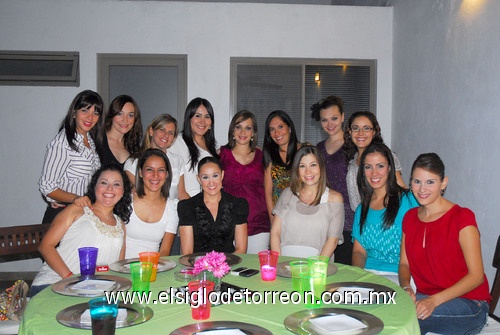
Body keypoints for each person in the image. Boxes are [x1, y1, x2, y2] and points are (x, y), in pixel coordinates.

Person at [399, 153, 490, 335]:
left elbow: (476, 276)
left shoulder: (462, 217)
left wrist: (434, 300)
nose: (422, 189)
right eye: (417, 181)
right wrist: (406, 287)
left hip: (470, 304)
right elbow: (404, 264)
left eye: (430, 182)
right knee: (382, 305)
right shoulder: (409, 218)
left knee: (404, 318)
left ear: (444, 183)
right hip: (425, 297)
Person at [30, 165, 132, 296]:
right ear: (94, 187)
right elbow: (45, 246)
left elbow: (116, 267)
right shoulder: (77, 210)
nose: (110, 188)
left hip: (93, 290)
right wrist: (71, 279)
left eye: (116, 184)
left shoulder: (121, 224)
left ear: (123, 191)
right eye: (104, 182)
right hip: (54, 283)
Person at [351, 143, 418, 281]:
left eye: (380, 166)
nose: (374, 173)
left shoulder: (409, 202)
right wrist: (356, 278)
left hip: (400, 276)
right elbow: (359, 251)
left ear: (389, 168)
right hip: (367, 274)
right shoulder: (361, 208)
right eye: (368, 167)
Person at [39, 90, 104, 224]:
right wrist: (74, 198)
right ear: (74, 112)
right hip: (63, 215)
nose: (90, 117)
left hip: (83, 215)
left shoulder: (91, 140)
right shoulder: (62, 143)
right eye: (85, 110)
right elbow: (47, 186)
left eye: (95, 113)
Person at [270, 145, 344, 259]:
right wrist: (279, 264)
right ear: (296, 170)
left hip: (318, 269)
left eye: (313, 165)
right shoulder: (287, 194)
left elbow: (332, 240)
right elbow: (275, 233)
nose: (308, 171)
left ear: (321, 167)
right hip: (285, 266)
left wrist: (316, 268)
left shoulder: (335, 198)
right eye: (302, 166)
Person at [219, 110, 270, 254]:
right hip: (229, 221)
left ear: (253, 133)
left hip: (258, 223)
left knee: (256, 270)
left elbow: (268, 189)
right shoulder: (221, 155)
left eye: (248, 128)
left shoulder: (262, 156)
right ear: (232, 131)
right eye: (238, 127)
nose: (243, 132)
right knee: (229, 270)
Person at [313, 96, 355, 265]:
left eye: (334, 118)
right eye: (324, 120)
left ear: (343, 117)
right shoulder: (319, 147)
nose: (330, 124)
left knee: (345, 268)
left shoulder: (353, 144)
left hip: (349, 218)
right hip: (324, 215)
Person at [178, 156, 248, 254]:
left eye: (215, 176)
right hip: (197, 266)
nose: (211, 182)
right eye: (205, 177)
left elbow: (241, 249)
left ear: (222, 175)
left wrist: (221, 266)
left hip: (230, 265)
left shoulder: (238, 204)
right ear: (198, 179)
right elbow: (187, 253)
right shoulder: (187, 207)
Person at [345, 111, 406, 212]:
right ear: (350, 132)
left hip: (385, 216)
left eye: (366, 128)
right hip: (361, 218)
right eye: (356, 128)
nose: (360, 133)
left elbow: (401, 189)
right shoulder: (352, 163)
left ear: (373, 132)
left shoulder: (385, 156)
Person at [125, 149, 179, 258]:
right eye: (150, 169)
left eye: (161, 170)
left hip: (150, 269)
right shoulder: (125, 200)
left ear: (167, 174)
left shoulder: (172, 208)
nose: (155, 175)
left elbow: (164, 252)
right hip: (120, 267)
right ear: (140, 172)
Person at [124, 113, 189, 201]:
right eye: (162, 129)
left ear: (173, 138)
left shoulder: (177, 160)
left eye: (171, 133)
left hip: (172, 211)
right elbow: (140, 193)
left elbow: (182, 194)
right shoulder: (134, 162)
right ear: (151, 131)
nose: (166, 135)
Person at [169, 97, 218, 197]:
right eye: (198, 116)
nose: (202, 121)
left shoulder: (212, 148)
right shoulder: (176, 143)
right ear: (189, 118)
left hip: (210, 205)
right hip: (186, 205)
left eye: (207, 117)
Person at [263, 110, 303, 223]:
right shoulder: (269, 156)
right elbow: (268, 193)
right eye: (272, 129)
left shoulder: (305, 150)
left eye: (280, 127)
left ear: (289, 128)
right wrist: (273, 222)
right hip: (280, 219)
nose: (277, 133)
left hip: (303, 216)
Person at [96, 95, 143, 169]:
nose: (125, 120)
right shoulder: (98, 140)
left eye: (130, 115)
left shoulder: (134, 148)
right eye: (120, 114)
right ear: (112, 115)